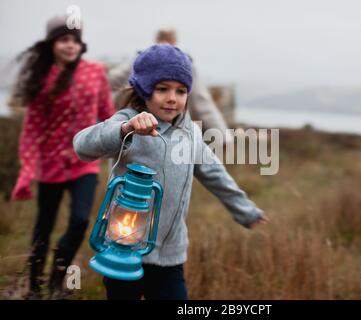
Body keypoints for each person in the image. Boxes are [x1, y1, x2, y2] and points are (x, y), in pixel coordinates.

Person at [73, 44, 268, 300]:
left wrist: (245, 210)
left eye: (181, 90)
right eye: (162, 89)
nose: (172, 98)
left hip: (169, 256)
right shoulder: (128, 121)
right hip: (123, 251)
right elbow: (82, 146)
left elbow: (214, 173)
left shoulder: (191, 134)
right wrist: (124, 129)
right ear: (144, 89)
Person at [10, 15, 115, 299]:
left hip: (85, 161)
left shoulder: (96, 72)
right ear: (52, 44)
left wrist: (120, 143)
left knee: (81, 220)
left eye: (75, 41)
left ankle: (58, 276)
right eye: (64, 40)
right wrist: (26, 172)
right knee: (44, 224)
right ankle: (33, 285)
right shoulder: (41, 78)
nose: (70, 46)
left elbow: (108, 115)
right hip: (50, 164)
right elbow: (31, 129)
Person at [108, 28, 232, 143]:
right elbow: (203, 103)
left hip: (170, 125)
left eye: (180, 91)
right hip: (134, 123)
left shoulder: (183, 66)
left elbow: (203, 103)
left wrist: (222, 134)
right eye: (162, 89)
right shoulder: (142, 60)